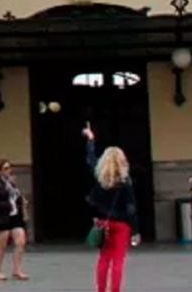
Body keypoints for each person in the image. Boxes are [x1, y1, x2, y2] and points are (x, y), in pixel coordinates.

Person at [83, 124, 140, 292]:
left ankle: (101, 290)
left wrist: (90, 140)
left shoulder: (100, 178)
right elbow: (131, 208)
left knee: (104, 259)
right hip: (121, 224)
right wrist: (136, 230)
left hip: (103, 222)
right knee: (118, 260)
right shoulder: (125, 181)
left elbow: (91, 159)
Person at [0, 158, 28, 281]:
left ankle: (17, 270)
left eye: (10, 167)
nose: (9, 170)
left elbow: (16, 196)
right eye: (5, 168)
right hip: (1, 217)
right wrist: (8, 205)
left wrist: (21, 201)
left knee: (20, 241)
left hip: (15, 216)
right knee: (1, 245)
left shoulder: (12, 183)